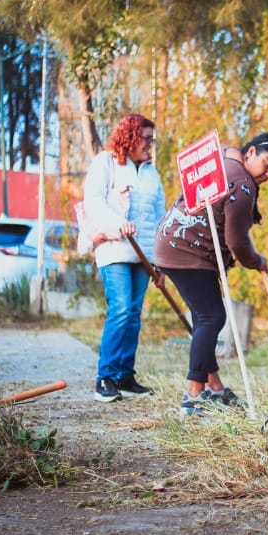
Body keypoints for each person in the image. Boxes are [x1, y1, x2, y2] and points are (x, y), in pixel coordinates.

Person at [153, 133, 268, 416]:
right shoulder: (242, 186)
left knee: (206, 317)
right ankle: (194, 394)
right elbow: (236, 242)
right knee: (212, 317)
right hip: (188, 251)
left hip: (168, 239)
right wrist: (256, 261)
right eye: (266, 164)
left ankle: (215, 387)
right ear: (250, 151)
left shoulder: (223, 157)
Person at [83, 114, 167, 403]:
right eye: (146, 139)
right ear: (130, 136)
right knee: (120, 309)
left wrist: (160, 261)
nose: (150, 145)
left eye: (151, 140)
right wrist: (117, 222)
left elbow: (159, 217)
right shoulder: (106, 163)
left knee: (133, 314)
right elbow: (94, 201)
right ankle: (104, 377)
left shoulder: (151, 173)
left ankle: (124, 376)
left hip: (144, 255)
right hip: (115, 248)